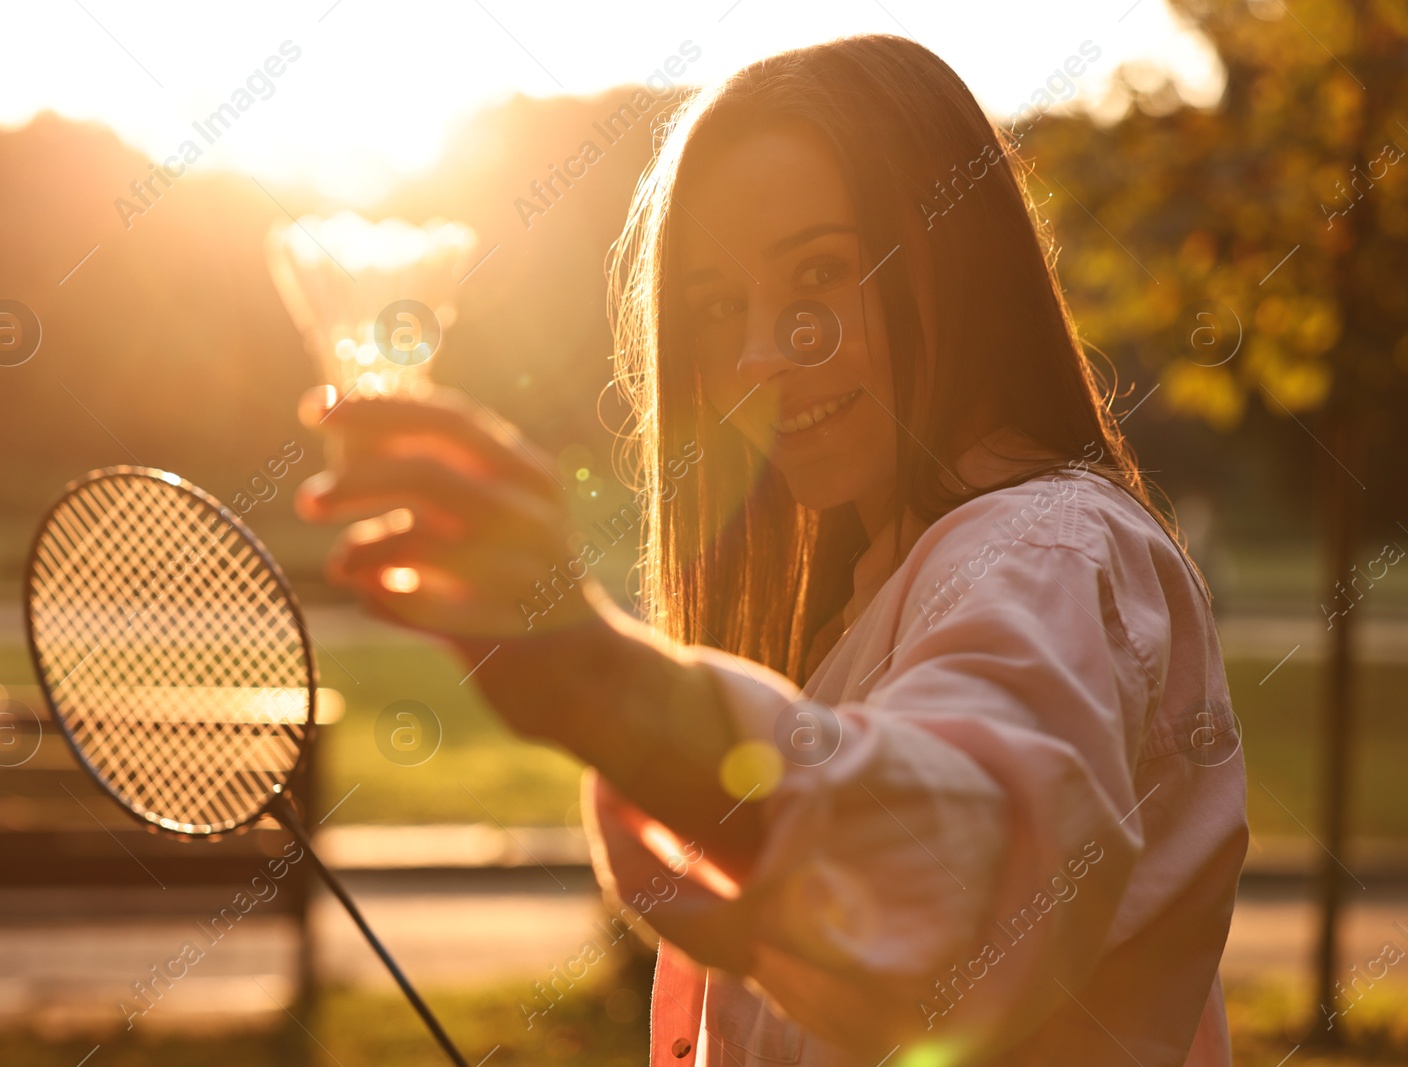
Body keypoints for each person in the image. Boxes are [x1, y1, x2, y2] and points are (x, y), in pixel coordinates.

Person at [296, 34, 1247, 1067]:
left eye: (821, 273)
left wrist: (597, 674)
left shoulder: (1044, 548)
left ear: (957, 260)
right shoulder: (892, 580)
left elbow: (957, 866)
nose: (757, 353)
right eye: (717, 306)